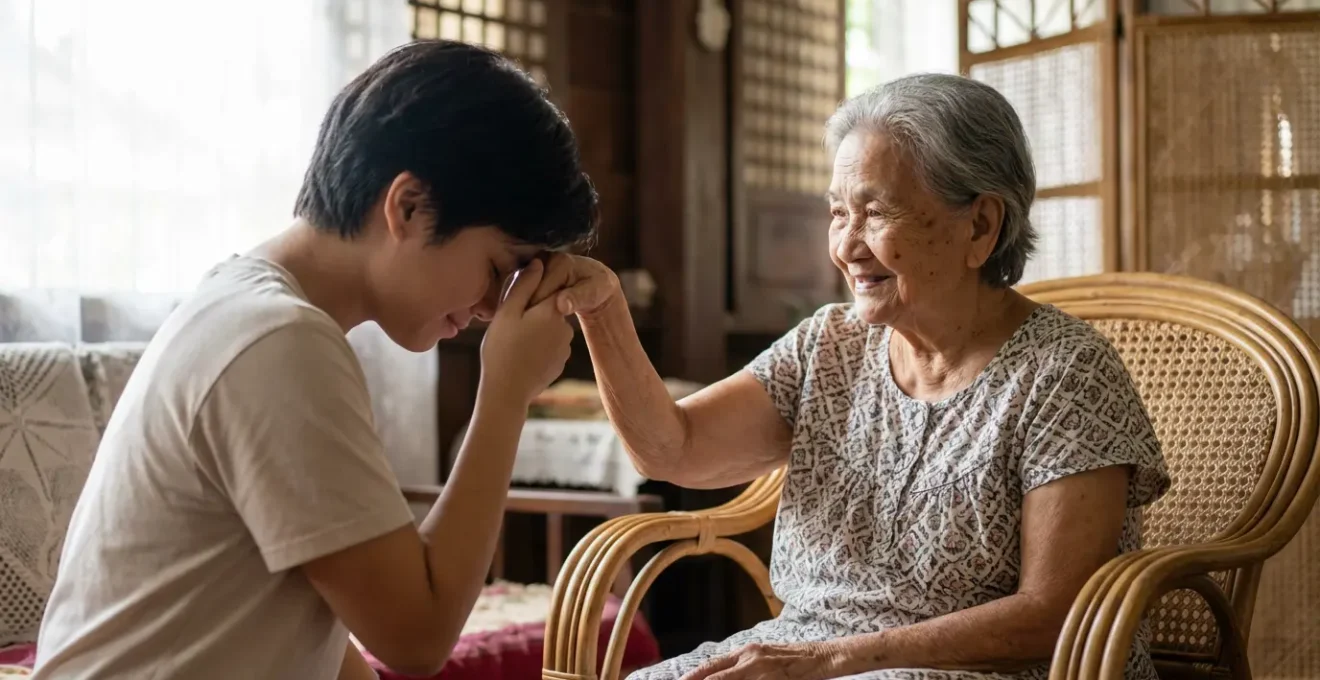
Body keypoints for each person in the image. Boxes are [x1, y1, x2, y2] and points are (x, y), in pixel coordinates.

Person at [530, 73, 1171, 680]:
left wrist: (832, 660)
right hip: (809, 657)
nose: (846, 245)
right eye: (838, 213)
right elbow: (674, 449)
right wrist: (604, 310)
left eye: (876, 213)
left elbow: (1054, 615)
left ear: (980, 225)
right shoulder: (829, 344)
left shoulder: (1065, 374)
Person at [33, 40, 597, 679]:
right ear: (408, 207)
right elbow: (416, 638)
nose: (495, 307)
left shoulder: (249, 305)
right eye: (498, 268)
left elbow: (319, 641)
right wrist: (506, 393)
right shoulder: (278, 341)